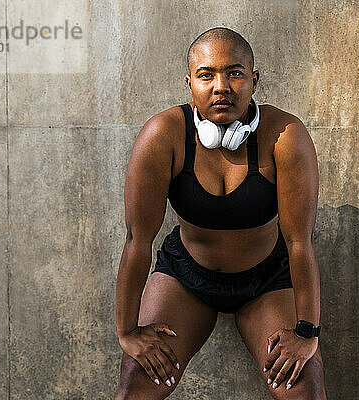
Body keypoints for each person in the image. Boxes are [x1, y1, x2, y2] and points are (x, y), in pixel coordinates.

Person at [114, 27, 327, 400]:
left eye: (235, 73)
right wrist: (127, 332)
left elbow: (299, 241)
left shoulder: (285, 134)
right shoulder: (163, 134)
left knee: (303, 385)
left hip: (266, 281)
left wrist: (307, 332)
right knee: (137, 381)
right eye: (206, 74)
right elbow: (137, 240)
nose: (221, 86)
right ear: (189, 83)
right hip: (186, 277)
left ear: (254, 80)